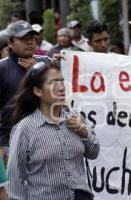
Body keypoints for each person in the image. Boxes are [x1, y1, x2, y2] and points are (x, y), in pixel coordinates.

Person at [6, 62, 100, 199]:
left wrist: (84, 132)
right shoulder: (25, 129)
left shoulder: (76, 118)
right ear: (37, 91)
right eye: (53, 83)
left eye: (62, 81)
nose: (61, 87)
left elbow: (94, 153)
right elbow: (14, 181)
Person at [0, 20, 51, 154]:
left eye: (32, 38)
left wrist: (37, 70)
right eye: (23, 39)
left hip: (45, 140)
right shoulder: (2, 68)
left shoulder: (47, 62)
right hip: (11, 144)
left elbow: (57, 95)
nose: (30, 42)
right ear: (10, 43)